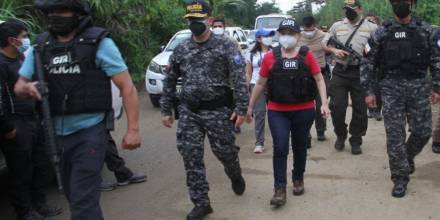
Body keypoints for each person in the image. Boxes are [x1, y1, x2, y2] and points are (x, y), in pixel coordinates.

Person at [14, 0, 141, 219]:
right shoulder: (40, 47)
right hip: (55, 136)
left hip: (89, 134)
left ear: (77, 14)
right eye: (51, 12)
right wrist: (26, 88)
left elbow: (127, 87)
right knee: (75, 195)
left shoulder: (98, 43)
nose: (55, 16)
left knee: (83, 202)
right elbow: (19, 86)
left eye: (61, 11)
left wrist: (133, 130)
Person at [160, 1, 248, 219]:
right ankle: (201, 202)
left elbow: (238, 78)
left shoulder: (226, 45)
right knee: (191, 157)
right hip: (189, 111)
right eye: (191, 20)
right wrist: (166, 109)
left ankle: (234, 173)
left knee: (225, 152)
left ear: (209, 20)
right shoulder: (181, 48)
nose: (194, 24)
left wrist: (242, 107)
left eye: (198, 20)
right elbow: (170, 80)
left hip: (218, 110)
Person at [246, 18, 330, 207]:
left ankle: (298, 178)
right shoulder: (270, 57)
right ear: (278, 35)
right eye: (283, 33)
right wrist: (250, 107)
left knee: (300, 147)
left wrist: (324, 103)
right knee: (281, 147)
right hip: (278, 112)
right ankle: (279, 188)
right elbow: (260, 83)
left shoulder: (306, 55)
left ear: (298, 36)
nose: (287, 37)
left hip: (304, 110)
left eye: (291, 33)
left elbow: (319, 79)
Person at [361, 0, 440, 198]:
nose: (400, 4)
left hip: (419, 87)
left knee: (423, 132)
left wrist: (437, 86)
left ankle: (406, 156)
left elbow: (437, 60)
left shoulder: (427, 30)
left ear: (412, 3)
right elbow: (367, 62)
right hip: (391, 88)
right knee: (395, 135)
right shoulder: (381, 32)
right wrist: (369, 91)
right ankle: (400, 177)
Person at [0, 21, 61, 220]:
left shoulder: (20, 59)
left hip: (32, 120)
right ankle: (24, 212)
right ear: (11, 40)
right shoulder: (1, 64)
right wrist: (8, 128)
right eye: (23, 35)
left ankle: (39, 204)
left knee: (40, 164)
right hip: (16, 124)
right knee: (20, 171)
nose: (25, 39)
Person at [322, 0, 377, 155]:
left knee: (360, 108)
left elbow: (378, 48)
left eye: (352, 9)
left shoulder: (371, 27)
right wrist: (334, 51)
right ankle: (341, 134)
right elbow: (324, 44)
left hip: (361, 73)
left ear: (360, 9)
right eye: (346, 9)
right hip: (340, 71)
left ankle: (356, 139)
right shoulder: (337, 26)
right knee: (337, 106)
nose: (349, 11)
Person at [299, 15, 329, 142]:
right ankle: (305, 133)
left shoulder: (323, 35)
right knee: (305, 105)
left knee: (321, 104)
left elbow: (330, 49)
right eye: (306, 30)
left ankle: (321, 130)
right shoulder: (298, 37)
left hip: (321, 73)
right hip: (303, 75)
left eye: (311, 29)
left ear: (314, 26)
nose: (308, 32)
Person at [245, 28, 274, 153]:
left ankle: (280, 140)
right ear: (258, 39)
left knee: (276, 114)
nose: (268, 38)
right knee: (260, 114)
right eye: (265, 36)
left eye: (269, 36)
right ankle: (259, 143)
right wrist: (247, 89)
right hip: (256, 86)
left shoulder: (276, 52)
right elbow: (248, 73)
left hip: (274, 86)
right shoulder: (251, 54)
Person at [365, 14, 383, 121]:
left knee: (378, 90)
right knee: (367, 88)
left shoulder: (381, 33)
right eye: (367, 21)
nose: (369, 23)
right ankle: (370, 110)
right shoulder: (362, 34)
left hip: (379, 67)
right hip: (366, 65)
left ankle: (378, 110)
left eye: (372, 21)